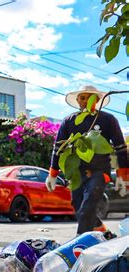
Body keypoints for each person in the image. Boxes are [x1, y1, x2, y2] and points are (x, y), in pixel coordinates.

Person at [46, 85, 128, 235]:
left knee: (89, 205)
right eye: (82, 97)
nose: (85, 101)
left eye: (90, 98)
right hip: (76, 173)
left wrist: (123, 176)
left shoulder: (108, 119)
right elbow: (58, 148)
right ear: (77, 100)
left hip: (99, 171)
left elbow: (120, 147)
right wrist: (52, 173)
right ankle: (104, 233)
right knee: (78, 206)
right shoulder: (69, 121)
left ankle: (80, 244)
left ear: (97, 100)